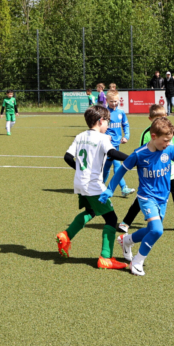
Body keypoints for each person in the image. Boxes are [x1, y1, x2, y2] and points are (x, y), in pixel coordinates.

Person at [100, 117, 174, 276]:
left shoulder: (171, 150)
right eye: (166, 140)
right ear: (154, 136)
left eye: (170, 140)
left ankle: (126, 241)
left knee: (150, 229)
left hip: (163, 198)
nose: (168, 143)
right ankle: (137, 261)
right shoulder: (139, 154)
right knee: (157, 230)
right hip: (146, 197)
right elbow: (121, 170)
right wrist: (110, 189)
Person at [56, 105, 131, 270]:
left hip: (80, 183)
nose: (108, 126)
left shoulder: (80, 136)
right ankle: (105, 257)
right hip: (94, 185)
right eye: (107, 122)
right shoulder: (103, 138)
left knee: (90, 212)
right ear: (100, 121)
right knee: (111, 218)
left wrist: (80, 170)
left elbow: (67, 157)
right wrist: (133, 158)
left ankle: (66, 236)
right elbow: (113, 153)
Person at [119, 104, 174, 234]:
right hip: (153, 173)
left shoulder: (170, 132)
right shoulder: (147, 134)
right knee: (143, 197)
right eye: (156, 118)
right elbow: (142, 155)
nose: (160, 120)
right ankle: (126, 222)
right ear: (150, 119)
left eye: (162, 117)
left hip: (169, 171)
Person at [102, 90, 135, 197]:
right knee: (113, 166)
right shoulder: (104, 112)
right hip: (107, 145)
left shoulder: (121, 113)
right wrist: (104, 137)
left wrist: (126, 136)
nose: (114, 103)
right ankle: (121, 187)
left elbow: (126, 125)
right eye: (111, 101)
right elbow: (98, 127)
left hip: (116, 144)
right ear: (106, 100)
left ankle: (101, 186)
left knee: (109, 166)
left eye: (116, 101)